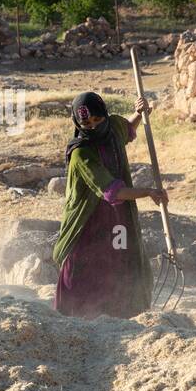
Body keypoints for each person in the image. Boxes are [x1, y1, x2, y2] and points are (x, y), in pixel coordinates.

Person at [53, 91, 167, 319]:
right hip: (88, 222)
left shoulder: (113, 126)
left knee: (120, 257)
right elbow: (111, 190)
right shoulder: (81, 153)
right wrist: (148, 192)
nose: (93, 126)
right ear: (77, 122)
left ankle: (123, 311)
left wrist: (139, 113)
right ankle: (76, 316)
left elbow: (125, 131)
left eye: (97, 120)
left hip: (117, 217)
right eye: (86, 122)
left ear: (105, 115)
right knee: (86, 268)